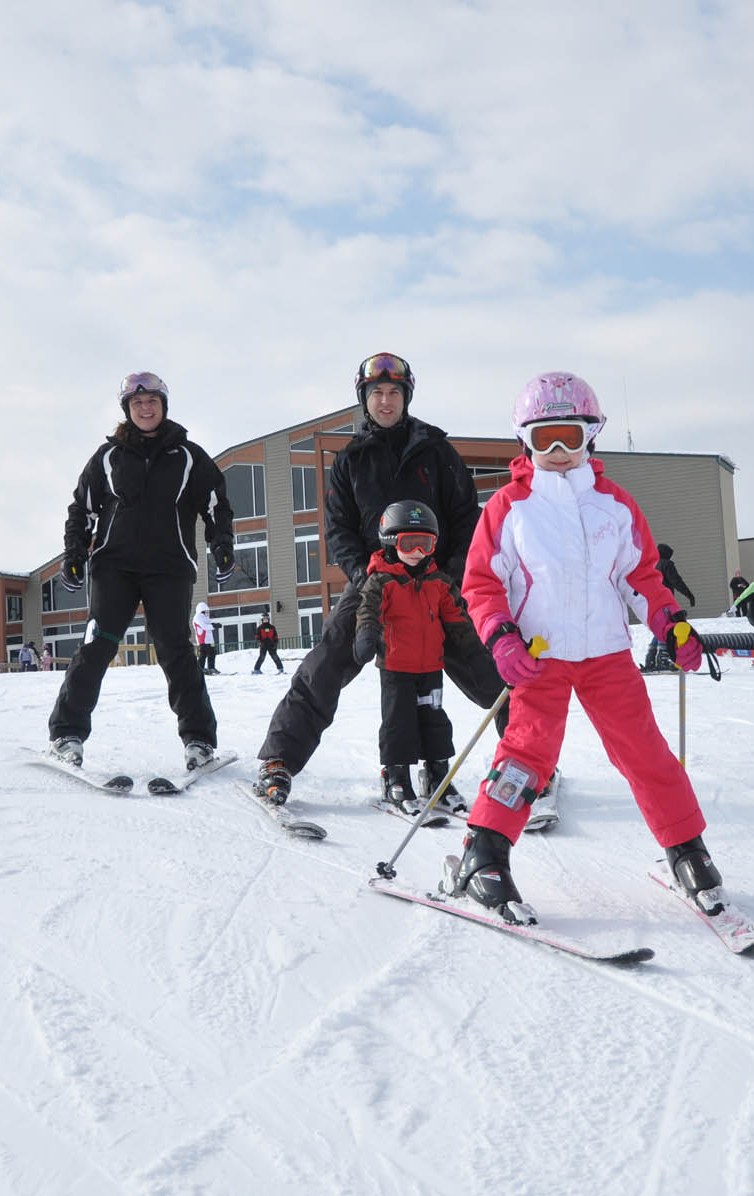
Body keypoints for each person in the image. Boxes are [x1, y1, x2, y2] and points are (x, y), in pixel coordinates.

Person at [443, 371, 724, 924]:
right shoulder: (509, 507)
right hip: (539, 656)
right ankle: (485, 853)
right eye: (544, 438)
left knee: (645, 752)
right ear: (524, 440)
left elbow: (641, 576)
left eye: (569, 438)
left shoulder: (614, 506)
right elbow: (481, 584)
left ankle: (687, 848)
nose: (557, 452)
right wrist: (500, 636)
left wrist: (672, 626)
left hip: (605, 656)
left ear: (590, 437)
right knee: (526, 756)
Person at [254, 352, 507, 803]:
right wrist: (365, 575)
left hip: (437, 582)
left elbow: (468, 518)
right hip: (374, 582)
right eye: (377, 394)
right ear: (364, 400)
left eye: (394, 393)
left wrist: (446, 575)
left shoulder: (437, 451)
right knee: (327, 662)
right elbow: (338, 528)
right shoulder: (351, 459)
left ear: (405, 397)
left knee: (488, 668)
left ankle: (530, 760)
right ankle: (279, 760)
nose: (386, 401)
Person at [47, 371, 236, 770]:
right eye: (137, 403)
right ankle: (67, 732)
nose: (145, 408)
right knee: (97, 646)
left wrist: (221, 544)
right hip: (115, 568)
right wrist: (75, 552)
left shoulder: (189, 456)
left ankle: (199, 739)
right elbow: (81, 507)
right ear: (127, 410)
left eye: (151, 402)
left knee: (175, 649)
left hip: (169, 569)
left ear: (163, 406)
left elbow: (217, 504)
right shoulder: (108, 457)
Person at [352, 500, 469, 816]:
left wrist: (473, 643)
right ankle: (397, 778)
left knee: (436, 723)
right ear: (391, 542)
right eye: (409, 543)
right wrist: (366, 635)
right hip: (396, 668)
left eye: (425, 543)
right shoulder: (382, 580)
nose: (418, 550)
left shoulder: (439, 582)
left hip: (431, 667)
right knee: (398, 724)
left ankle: (437, 777)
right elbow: (367, 610)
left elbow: (456, 616)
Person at [643, 542, 699, 671]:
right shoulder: (666, 564)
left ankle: (650, 659)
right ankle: (663, 658)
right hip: (664, 602)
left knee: (659, 629)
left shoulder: (650, 564)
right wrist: (689, 595)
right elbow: (676, 581)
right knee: (666, 628)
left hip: (650, 601)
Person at [193, 602, 221, 674]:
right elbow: (204, 627)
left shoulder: (205, 617)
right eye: (204, 610)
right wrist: (214, 626)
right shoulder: (197, 617)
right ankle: (200, 669)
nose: (206, 612)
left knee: (212, 653)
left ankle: (211, 668)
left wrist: (214, 625)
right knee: (203, 655)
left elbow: (209, 625)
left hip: (209, 639)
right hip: (202, 640)